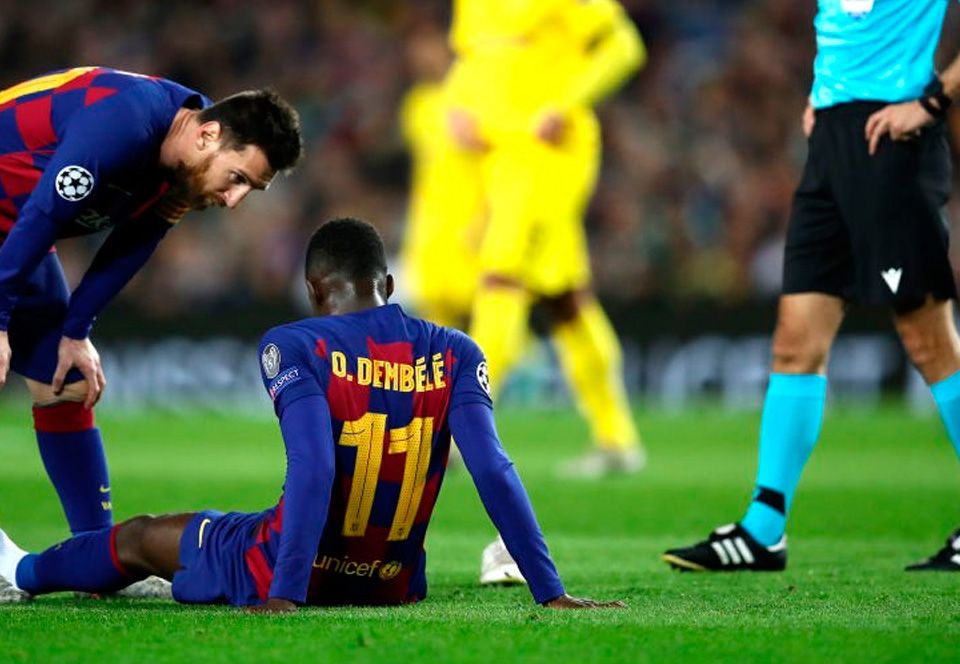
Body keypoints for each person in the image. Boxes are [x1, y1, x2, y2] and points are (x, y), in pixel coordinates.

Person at [0, 217, 624, 612]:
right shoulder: (457, 350)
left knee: (140, 536)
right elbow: (492, 469)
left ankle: (15, 572)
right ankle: (24, 568)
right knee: (172, 537)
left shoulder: (296, 344)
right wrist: (550, 589)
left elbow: (315, 467)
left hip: (284, 567)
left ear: (316, 290)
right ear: (388, 284)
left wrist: (285, 591)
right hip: (392, 582)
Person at [0, 66, 303, 602]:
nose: (236, 199)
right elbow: (45, 211)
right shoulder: (124, 121)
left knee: (68, 384)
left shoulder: (182, 173)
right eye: (239, 178)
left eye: (252, 189)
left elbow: (133, 244)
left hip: (17, 231)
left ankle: (99, 560)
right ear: (207, 135)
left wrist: (76, 331)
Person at [663, 0, 960, 573]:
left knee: (928, 339)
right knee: (795, 343)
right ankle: (763, 530)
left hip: (893, 139)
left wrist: (932, 101)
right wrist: (824, 95)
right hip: (831, 140)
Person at [442, 0, 646, 584]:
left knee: (500, 277)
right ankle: (616, 438)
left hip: (550, 150)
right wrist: (456, 108)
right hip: (500, 155)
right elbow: (472, 65)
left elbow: (624, 46)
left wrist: (567, 100)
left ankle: (459, 426)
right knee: (566, 300)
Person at [398, 26, 485, 330]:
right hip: (431, 222)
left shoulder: (477, 97)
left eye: (428, 48)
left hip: (471, 216)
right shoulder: (417, 105)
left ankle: (527, 365)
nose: (423, 59)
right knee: (433, 306)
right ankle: (443, 373)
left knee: (485, 302)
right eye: (416, 54)